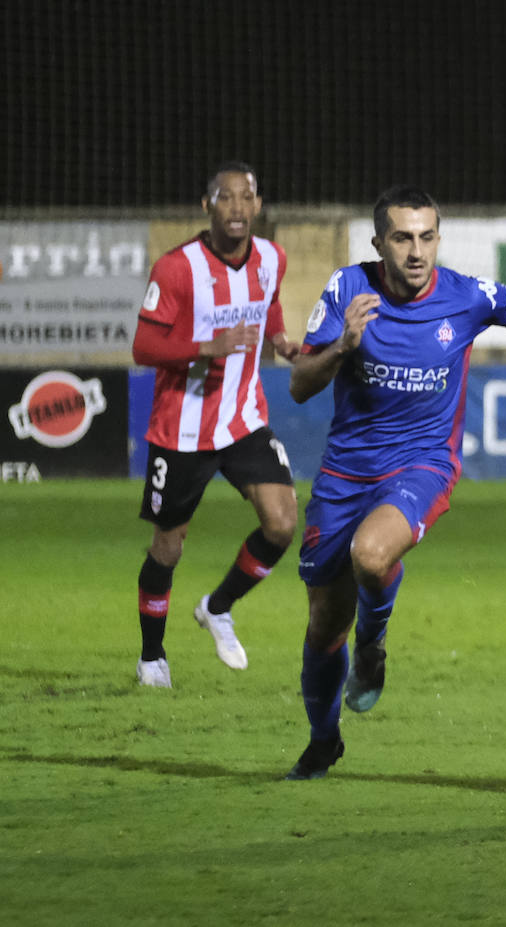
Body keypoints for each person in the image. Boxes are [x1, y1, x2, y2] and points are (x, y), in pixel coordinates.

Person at [284, 185, 506, 780]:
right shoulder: (346, 290)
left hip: (423, 465)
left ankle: (374, 644)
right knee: (322, 623)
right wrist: (343, 346)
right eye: (402, 238)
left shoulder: (466, 297)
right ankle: (323, 740)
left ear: (438, 238)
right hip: (344, 473)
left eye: (427, 237)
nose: (417, 251)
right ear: (378, 243)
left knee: (372, 553)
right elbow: (299, 385)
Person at [131, 161, 300, 688]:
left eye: (247, 198)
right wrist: (206, 347)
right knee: (169, 548)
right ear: (208, 206)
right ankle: (152, 656)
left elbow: (267, 305)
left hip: (244, 420)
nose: (238, 208)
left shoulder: (273, 257)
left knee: (282, 523)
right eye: (226, 198)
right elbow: (144, 347)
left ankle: (217, 607)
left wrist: (279, 340)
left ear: (259, 204)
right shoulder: (177, 269)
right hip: (181, 431)